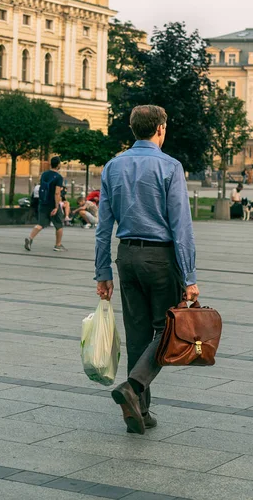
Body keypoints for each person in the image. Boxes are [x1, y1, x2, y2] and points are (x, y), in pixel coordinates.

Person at [95, 105, 199, 435]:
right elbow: (181, 226)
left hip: (126, 257)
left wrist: (102, 272)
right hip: (160, 258)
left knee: (138, 334)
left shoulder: (112, 166)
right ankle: (134, 386)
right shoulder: (169, 166)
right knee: (167, 331)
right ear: (160, 129)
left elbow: (102, 227)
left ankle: (139, 412)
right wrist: (190, 276)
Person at [24, 156, 66, 252]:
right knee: (59, 225)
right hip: (52, 203)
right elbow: (57, 193)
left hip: (42, 202)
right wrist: (56, 207)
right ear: (58, 164)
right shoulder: (58, 177)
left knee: (40, 224)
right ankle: (58, 245)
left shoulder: (44, 174)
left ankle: (30, 238)